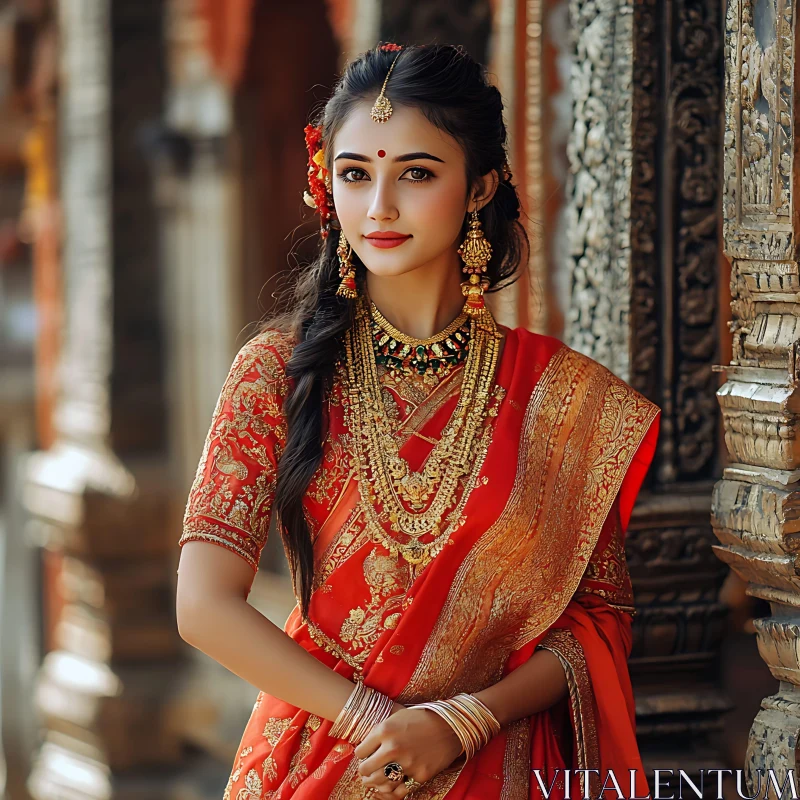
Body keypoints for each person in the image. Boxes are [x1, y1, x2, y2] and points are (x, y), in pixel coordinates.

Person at [175, 42, 660, 800]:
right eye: (356, 175)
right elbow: (202, 606)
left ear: (480, 187)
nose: (380, 208)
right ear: (325, 185)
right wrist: (373, 717)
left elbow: (593, 623)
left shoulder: (562, 399)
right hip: (325, 758)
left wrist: (461, 722)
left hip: (494, 759)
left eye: (418, 174)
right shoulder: (276, 375)